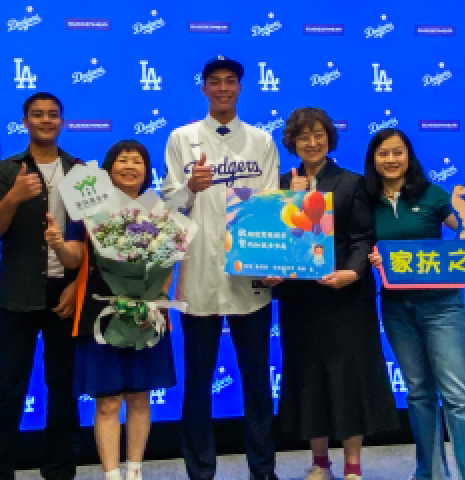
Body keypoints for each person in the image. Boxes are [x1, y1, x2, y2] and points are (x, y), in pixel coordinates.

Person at [365, 128, 465, 480]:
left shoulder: (431, 194)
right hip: (397, 309)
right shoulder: (366, 201)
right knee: (419, 395)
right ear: (373, 160)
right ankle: (430, 474)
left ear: (409, 156)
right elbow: (357, 244)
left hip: (442, 306)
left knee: (460, 395)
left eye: (397, 152)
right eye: (383, 153)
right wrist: (373, 257)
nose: (391, 159)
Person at [161, 56, 280, 480]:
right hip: (198, 277)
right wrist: (188, 189)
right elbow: (168, 206)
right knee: (197, 382)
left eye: (231, 81)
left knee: (257, 381)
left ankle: (263, 470)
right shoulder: (182, 138)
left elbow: (271, 206)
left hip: (250, 277)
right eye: (216, 82)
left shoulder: (262, 141)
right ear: (204, 89)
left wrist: (274, 262)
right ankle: (200, 472)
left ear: (240, 88)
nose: (224, 88)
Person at [268, 108, 399, 480]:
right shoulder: (280, 184)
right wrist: (270, 271)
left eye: (319, 135)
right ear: (292, 142)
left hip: (345, 298)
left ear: (329, 139)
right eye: (304, 136)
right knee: (309, 378)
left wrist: (352, 273)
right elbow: (273, 240)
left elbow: (362, 238)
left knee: (349, 378)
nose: (312, 143)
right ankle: (320, 462)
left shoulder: (352, 182)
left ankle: (353, 464)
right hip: (301, 300)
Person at [0, 92, 83, 480]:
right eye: (37, 115)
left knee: (64, 387)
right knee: (7, 387)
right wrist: (13, 197)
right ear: (25, 122)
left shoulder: (80, 170)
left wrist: (77, 285)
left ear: (62, 121)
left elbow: (93, 237)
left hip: (66, 294)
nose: (45, 120)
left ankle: (60, 470)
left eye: (52, 114)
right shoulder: (6, 170)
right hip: (18, 293)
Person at [66, 140, 177, 480]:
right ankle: (112, 474)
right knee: (108, 402)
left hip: (146, 314)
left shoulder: (159, 210)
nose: (130, 167)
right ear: (109, 168)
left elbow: (168, 264)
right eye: (123, 160)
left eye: (137, 161)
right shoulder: (89, 209)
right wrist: (57, 244)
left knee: (140, 398)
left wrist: (154, 300)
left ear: (147, 170)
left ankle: (135, 471)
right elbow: (74, 256)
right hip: (101, 314)